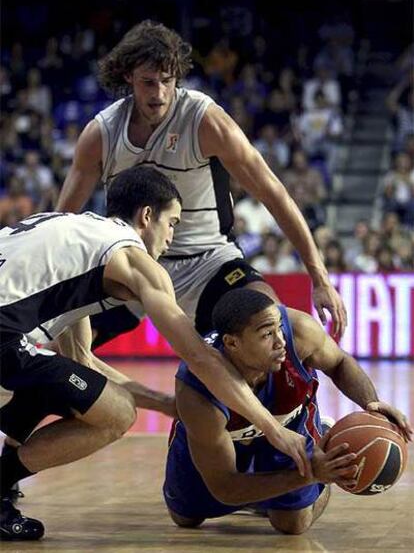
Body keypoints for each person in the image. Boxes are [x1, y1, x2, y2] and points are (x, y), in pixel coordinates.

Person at [0, 168, 309, 541]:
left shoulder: (71, 235)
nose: (172, 237)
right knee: (117, 414)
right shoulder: (131, 256)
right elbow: (200, 357)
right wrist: (272, 428)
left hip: (10, 334)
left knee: (52, 378)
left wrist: (164, 404)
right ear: (147, 216)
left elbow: (81, 361)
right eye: (173, 223)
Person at [55, 19, 347, 344]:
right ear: (128, 77)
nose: (159, 94)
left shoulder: (205, 121)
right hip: (133, 262)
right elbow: (61, 221)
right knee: (59, 351)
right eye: (148, 83)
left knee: (267, 325)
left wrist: (319, 277)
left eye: (167, 81)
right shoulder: (102, 134)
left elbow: (274, 194)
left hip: (207, 260)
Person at [163, 289, 412, 534]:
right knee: (187, 516)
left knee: (292, 523)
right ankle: (263, 490)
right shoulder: (196, 393)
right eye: (267, 334)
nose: (281, 340)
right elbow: (224, 486)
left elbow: (339, 362)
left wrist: (371, 403)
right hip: (223, 440)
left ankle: (316, 442)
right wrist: (308, 474)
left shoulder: (300, 331)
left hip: (289, 425)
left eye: (279, 328)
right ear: (232, 343)